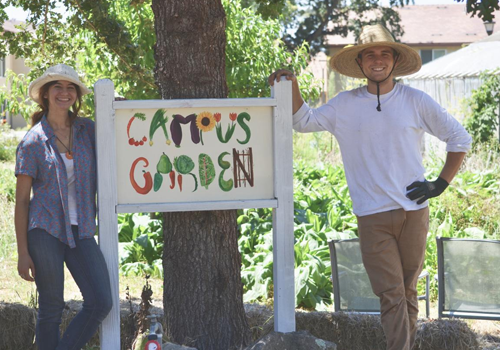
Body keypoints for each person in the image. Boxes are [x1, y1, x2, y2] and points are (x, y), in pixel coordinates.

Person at [269, 24, 471, 350]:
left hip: (414, 213)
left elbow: (459, 138)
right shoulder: (344, 105)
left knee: (406, 291)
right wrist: (290, 85)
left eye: (384, 53)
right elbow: (302, 121)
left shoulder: (415, 100)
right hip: (372, 215)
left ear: (394, 60)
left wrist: (439, 184)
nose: (378, 60)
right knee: (391, 292)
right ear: (360, 63)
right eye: (370, 55)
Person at [15, 64, 112, 350]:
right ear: (45, 94)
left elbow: (118, 137)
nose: (65, 93)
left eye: (70, 88)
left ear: (76, 95)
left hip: (81, 227)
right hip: (44, 229)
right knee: (51, 307)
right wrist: (22, 252)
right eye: (58, 86)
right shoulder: (32, 141)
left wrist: (117, 111)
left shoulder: (88, 131)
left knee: (100, 301)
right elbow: (21, 201)